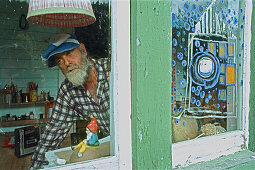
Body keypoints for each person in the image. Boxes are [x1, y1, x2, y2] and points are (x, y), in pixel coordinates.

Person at [29, 33, 110, 169]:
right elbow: (52, 134)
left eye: (69, 53)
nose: (66, 63)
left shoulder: (112, 68)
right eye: (59, 60)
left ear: (83, 50)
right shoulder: (68, 91)